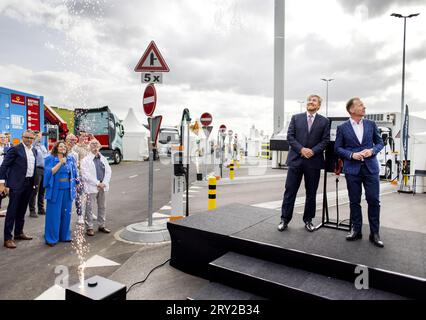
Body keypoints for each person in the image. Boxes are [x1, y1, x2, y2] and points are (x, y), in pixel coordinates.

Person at [335, 97, 384, 247]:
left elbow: (380, 142)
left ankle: (374, 233)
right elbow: (337, 148)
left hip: (371, 169)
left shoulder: (371, 124)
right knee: (354, 201)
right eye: (361, 105)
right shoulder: (342, 128)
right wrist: (351, 155)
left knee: (374, 200)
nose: (364, 107)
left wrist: (372, 151)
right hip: (352, 169)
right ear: (351, 109)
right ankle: (356, 230)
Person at [278, 95, 330, 232]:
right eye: (309, 100)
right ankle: (284, 220)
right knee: (290, 191)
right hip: (296, 160)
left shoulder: (324, 121)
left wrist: (312, 151)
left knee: (311, 193)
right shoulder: (296, 118)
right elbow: (290, 137)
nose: (310, 102)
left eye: (313, 101)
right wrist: (301, 149)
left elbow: (325, 141)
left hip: (313, 162)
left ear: (318, 106)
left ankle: (308, 220)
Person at [0, 130, 37, 249]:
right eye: (27, 137)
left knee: (22, 210)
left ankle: (19, 233)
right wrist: (1, 183)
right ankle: (7, 238)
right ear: (22, 137)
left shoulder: (34, 150)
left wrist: (35, 183)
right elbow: (4, 166)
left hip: (29, 183)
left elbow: (33, 167)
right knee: (12, 211)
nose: (29, 140)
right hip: (16, 184)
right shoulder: (15, 149)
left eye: (32, 138)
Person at [44, 141, 78, 247]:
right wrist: (60, 163)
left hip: (68, 189)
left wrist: (77, 183)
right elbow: (49, 173)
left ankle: (64, 236)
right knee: (54, 214)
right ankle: (51, 238)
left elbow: (74, 172)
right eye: (60, 146)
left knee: (66, 213)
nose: (63, 148)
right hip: (56, 190)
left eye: (64, 146)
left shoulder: (71, 158)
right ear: (56, 148)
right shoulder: (50, 158)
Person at [81, 139, 112, 236]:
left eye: (96, 144)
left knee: (102, 206)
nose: (94, 146)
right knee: (89, 208)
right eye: (92, 144)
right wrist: (97, 183)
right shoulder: (85, 160)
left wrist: (104, 182)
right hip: (92, 187)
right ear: (89, 147)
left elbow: (108, 172)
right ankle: (89, 227)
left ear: (99, 146)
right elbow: (85, 174)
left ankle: (101, 225)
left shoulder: (103, 159)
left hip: (103, 186)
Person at [28, 131, 49, 218]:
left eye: (40, 135)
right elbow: (35, 141)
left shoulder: (43, 146)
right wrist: (37, 136)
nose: (40, 137)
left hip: (44, 169)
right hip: (36, 169)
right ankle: (32, 210)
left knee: (42, 191)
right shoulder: (33, 146)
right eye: (37, 135)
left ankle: (41, 208)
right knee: (35, 190)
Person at [72, 131, 91, 223]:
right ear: (78, 137)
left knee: (88, 194)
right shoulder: (75, 148)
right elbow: (75, 162)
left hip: (88, 174)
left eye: (85, 136)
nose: (84, 137)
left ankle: (89, 212)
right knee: (79, 195)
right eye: (82, 136)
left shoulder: (87, 147)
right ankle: (80, 215)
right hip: (80, 174)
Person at [0, 133, 10, 217]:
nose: (3, 139)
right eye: (1, 137)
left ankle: (12, 209)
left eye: (4, 137)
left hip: (6, 172)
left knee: (8, 190)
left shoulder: (7, 149)